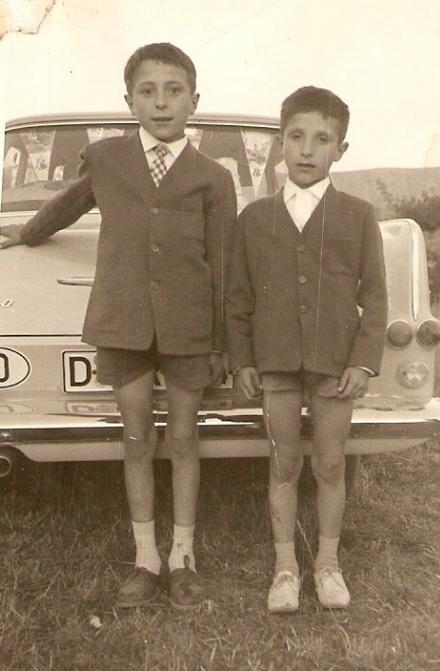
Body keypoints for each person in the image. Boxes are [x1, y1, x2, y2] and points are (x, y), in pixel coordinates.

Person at [0, 43, 237, 609]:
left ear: (194, 101)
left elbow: (225, 263)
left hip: (189, 328)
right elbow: (68, 204)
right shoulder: (106, 159)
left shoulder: (213, 178)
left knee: (184, 439)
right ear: (129, 101)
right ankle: (146, 559)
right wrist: (26, 233)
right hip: (123, 322)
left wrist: (222, 342)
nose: (161, 103)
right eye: (147, 92)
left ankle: (183, 558)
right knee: (135, 439)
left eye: (174, 91)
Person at [226, 86, 387, 613]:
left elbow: (375, 297)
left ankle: (328, 565)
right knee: (283, 463)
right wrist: (243, 359)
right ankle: (285, 569)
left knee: (331, 464)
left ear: (341, 149)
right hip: (275, 364)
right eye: (296, 137)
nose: (307, 149)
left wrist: (363, 362)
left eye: (322, 139)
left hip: (336, 366)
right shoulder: (255, 218)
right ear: (280, 142)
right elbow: (239, 297)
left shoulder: (358, 215)